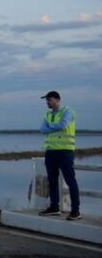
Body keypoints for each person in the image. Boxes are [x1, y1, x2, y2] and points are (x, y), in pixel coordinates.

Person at [38, 91, 81, 220]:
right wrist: (54, 126)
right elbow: (42, 129)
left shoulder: (67, 111)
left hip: (65, 151)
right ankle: (54, 207)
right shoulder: (48, 114)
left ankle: (76, 211)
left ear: (57, 100)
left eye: (49, 100)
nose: (47, 102)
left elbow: (63, 125)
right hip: (50, 151)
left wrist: (50, 126)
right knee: (52, 180)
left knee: (70, 181)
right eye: (47, 100)